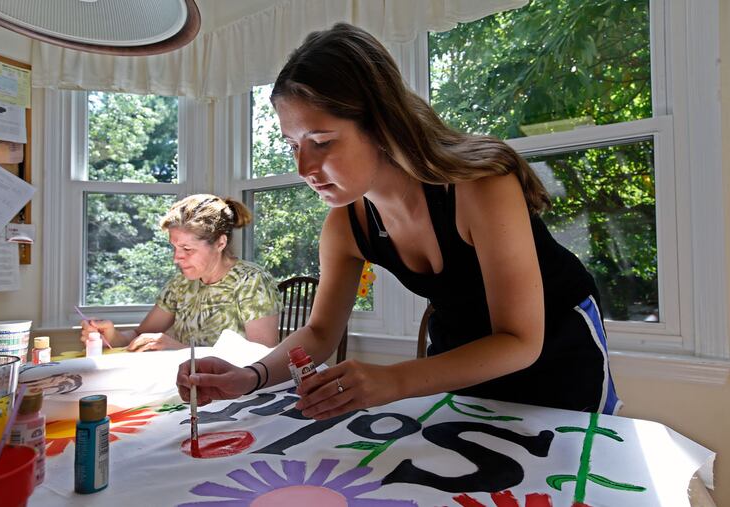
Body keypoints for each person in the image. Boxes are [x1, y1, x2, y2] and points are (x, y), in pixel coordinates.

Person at [177, 23, 620, 416]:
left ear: (382, 125)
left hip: (559, 353)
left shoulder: (480, 186)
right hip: (456, 361)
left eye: (323, 141)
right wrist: (249, 376)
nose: (304, 168)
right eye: (294, 144)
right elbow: (319, 333)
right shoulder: (346, 225)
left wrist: (393, 380)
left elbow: (520, 340)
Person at [81, 194, 282, 351]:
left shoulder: (252, 281)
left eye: (187, 249)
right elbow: (141, 335)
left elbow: (261, 357)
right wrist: (111, 336)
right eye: (174, 248)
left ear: (220, 242)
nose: (176, 258)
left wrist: (181, 351)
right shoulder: (181, 284)